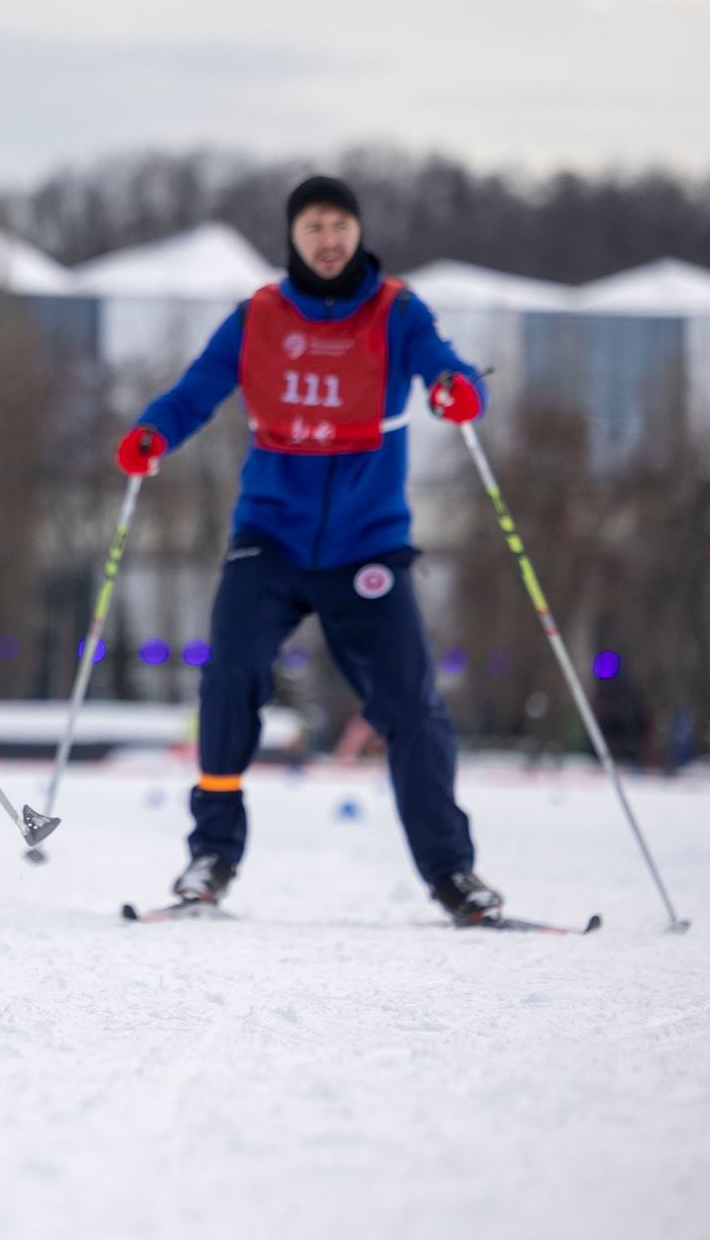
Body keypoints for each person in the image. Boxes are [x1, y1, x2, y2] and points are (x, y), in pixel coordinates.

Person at [117, 176, 499, 923]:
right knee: (229, 675)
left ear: (358, 232)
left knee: (412, 705)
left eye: (341, 225)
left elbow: (448, 372)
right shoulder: (259, 315)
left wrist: (459, 392)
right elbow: (197, 390)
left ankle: (454, 873)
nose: (329, 239)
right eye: (314, 226)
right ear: (293, 237)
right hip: (271, 536)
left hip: (369, 546)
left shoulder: (396, 309)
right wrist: (152, 432)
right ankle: (213, 854)